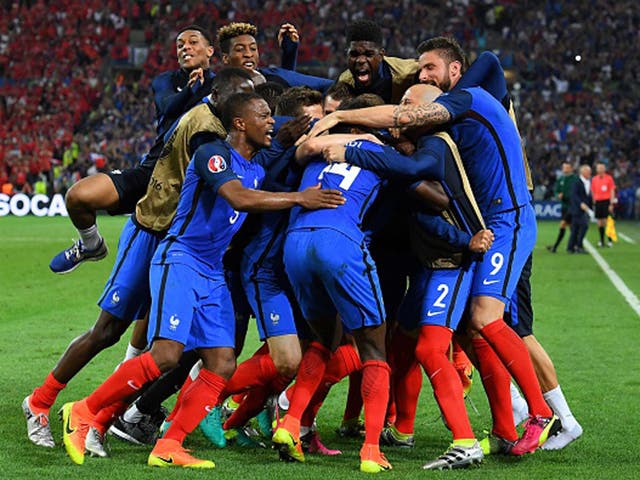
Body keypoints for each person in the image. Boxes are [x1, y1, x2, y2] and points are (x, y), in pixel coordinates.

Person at [59, 92, 345, 467]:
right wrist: (300, 198)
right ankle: (83, 410)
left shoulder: (255, 164)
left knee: (223, 362)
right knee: (165, 354)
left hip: (212, 271)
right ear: (239, 123)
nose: (270, 121)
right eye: (263, 115)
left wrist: (302, 130)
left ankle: (170, 444)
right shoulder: (214, 154)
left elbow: (273, 160)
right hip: (180, 259)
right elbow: (239, 198)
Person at [310, 35, 557, 458]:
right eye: (418, 70)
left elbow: (418, 159)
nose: (418, 79)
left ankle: (540, 414)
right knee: (465, 332)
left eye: (427, 70)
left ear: (451, 75)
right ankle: (496, 427)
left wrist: (343, 131)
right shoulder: (443, 129)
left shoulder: (460, 103)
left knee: (484, 320)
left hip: (504, 221)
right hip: (472, 235)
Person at [22, 68, 255, 452]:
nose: (255, 99)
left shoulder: (214, 117)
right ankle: (41, 402)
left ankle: (110, 419)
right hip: (154, 232)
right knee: (109, 330)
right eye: (247, 93)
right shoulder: (207, 131)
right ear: (227, 97)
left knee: (168, 347)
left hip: (181, 248)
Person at [49, 25, 216, 275]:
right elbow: (168, 107)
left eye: (193, 42)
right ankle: (91, 244)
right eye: (180, 44)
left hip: (195, 181)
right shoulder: (165, 81)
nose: (185, 48)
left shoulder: (221, 85)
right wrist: (192, 90)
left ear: (210, 51)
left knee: (150, 293)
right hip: (153, 170)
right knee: (78, 196)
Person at [216, 22, 334, 93]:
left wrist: (290, 53)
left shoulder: (273, 75)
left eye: (253, 48)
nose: (249, 54)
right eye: (240, 49)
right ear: (226, 58)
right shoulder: (215, 89)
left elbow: (330, 86)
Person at [337, 19, 418, 104]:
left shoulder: (409, 73)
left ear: (381, 55)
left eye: (368, 54)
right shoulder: (345, 83)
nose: (360, 60)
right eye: (354, 54)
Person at [547, 161, 578, 253]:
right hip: (564, 206)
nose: (565, 169)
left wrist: (564, 196)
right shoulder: (561, 179)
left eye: (567, 167)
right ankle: (574, 246)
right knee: (571, 227)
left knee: (563, 224)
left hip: (572, 206)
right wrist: (558, 195)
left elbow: (574, 193)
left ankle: (556, 246)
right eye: (564, 167)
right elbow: (556, 190)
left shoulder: (575, 179)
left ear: (571, 168)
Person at [567, 165, 593, 254]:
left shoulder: (588, 182)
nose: (590, 173)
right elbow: (574, 195)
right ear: (583, 172)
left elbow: (588, 196)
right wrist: (581, 204)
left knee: (575, 229)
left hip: (583, 209)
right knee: (584, 226)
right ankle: (578, 246)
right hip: (577, 209)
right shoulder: (576, 182)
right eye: (588, 171)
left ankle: (571, 247)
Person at [591, 161, 616, 247]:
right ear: (597, 169)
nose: (600, 169)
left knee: (607, 221)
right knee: (599, 222)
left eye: (602, 168)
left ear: (604, 169)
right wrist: (594, 201)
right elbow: (593, 191)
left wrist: (611, 203)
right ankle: (601, 241)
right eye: (599, 168)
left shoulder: (609, 178)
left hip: (606, 201)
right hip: (598, 202)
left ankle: (609, 240)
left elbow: (612, 190)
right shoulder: (594, 179)